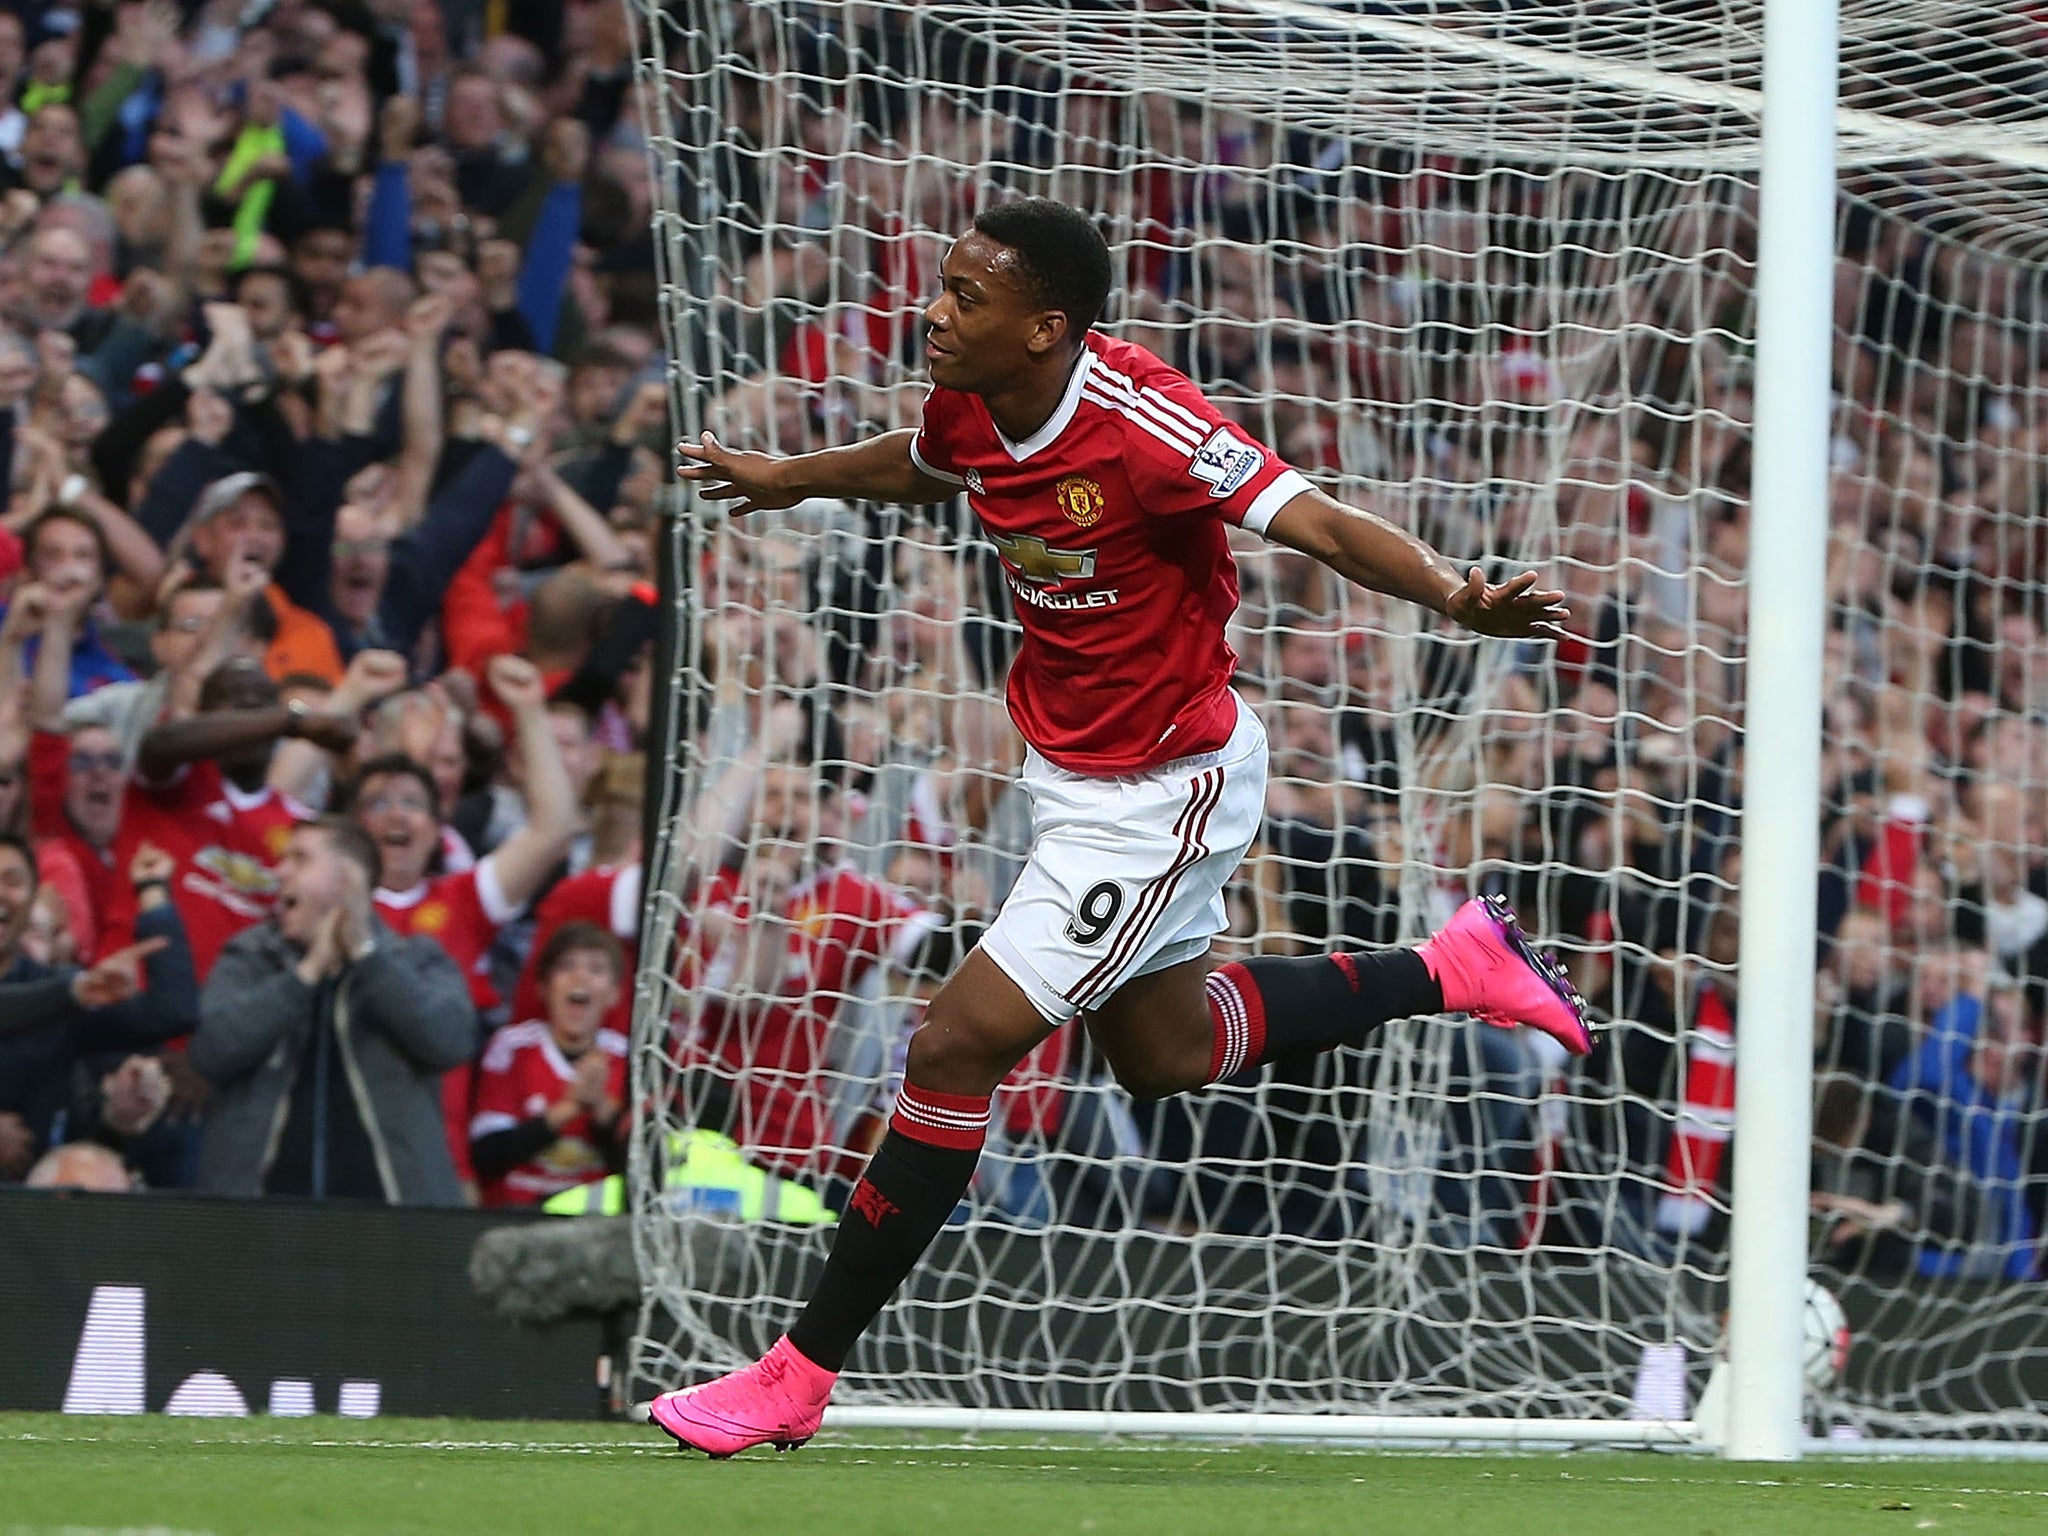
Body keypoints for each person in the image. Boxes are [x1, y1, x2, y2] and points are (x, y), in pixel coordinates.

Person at [651, 198, 1593, 1454]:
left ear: (1046, 327)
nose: (933, 313)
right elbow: (924, 468)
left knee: (950, 1046)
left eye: (966, 299)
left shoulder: (1142, 420)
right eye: (940, 286)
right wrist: (788, 480)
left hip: (1165, 788)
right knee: (1160, 1052)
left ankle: (795, 1372)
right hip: (1070, 775)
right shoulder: (966, 397)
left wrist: (1447, 593)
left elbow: (1309, 516)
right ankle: (1451, 964)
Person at [190, 816, 475, 1205]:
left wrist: (367, 959)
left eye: (300, 859)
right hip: (256, 1224)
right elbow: (211, 1049)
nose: (280, 870)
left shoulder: (418, 960)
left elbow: (450, 1041)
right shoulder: (251, 957)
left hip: (394, 1225)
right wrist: (305, 975)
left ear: (348, 881)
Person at [468, 920, 628, 1208]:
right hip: (516, 1216)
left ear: (615, 993)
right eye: (566, 966)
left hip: (595, 1226)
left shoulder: (628, 1059)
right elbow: (487, 1154)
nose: (580, 977)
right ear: (544, 987)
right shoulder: (512, 1048)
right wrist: (569, 1108)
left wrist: (601, 1107)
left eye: (596, 969)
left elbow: (640, 1165)